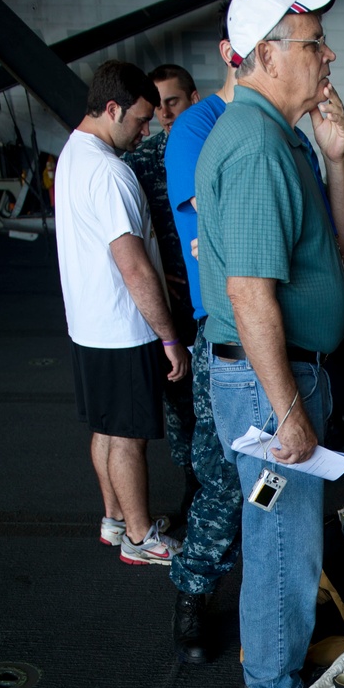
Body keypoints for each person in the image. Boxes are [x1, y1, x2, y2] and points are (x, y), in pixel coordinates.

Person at [195, 0, 344, 688]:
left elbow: (343, 247)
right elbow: (249, 295)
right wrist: (288, 411)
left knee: (288, 542)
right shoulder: (257, 145)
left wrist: (336, 157)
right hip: (272, 383)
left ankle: (277, 667)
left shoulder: (285, 138)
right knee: (279, 548)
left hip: (286, 374)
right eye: (313, 43)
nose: (328, 56)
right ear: (265, 54)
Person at [54, 59, 189, 565]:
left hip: (88, 326)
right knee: (129, 439)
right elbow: (132, 267)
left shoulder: (73, 153)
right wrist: (169, 337)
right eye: (139, 120)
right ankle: (140, 538)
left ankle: (114, 521)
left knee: (106, 429)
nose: (145, 130)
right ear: (112, 110)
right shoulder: (111, 172)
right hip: (124, 329)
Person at [162, 12, 244, 663]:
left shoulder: (287, 133)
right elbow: (210, 239)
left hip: (288, 340)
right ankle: (193, 591)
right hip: (225, 335)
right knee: (221, 481)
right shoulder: (198, 128)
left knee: (278, 483)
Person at [125, 63, 202, 504]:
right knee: (181, 408)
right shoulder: (139, 163)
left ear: (194, 98)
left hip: (219, 300)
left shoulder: (217, 150)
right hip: (171, 308)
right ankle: (195, 494)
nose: (165, 113)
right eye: (157, 106)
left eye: (172, 101)